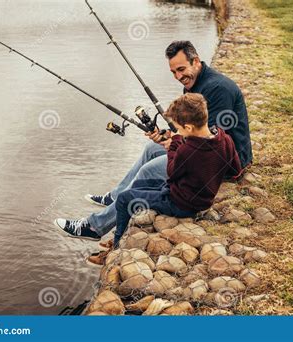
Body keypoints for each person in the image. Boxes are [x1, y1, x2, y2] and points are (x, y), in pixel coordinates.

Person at [53, 40, 252, 240]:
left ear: (196, 61)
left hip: (218, 161)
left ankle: (95, 227)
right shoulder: (195, 83)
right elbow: (193, 130)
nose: (178, 76)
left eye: (181, 69)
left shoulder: (217, 89)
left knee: (148, 170)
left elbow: (209, 140)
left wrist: (175, 143)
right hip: (203, 150)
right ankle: (116, 196)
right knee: (151, 148)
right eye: (173, 72)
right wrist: (167, 136)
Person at [113, 93, 240, 250]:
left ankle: (116, 243)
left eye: (178, 129)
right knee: (139, 183)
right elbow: (235, 169)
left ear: (188, 127)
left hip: (181, 204)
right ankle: (131, 224)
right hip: (201, 197)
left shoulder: (187, 150)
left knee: (124, 198)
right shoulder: (224, 138)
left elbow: (171, 171)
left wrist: (175, 143)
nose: (177, 132)